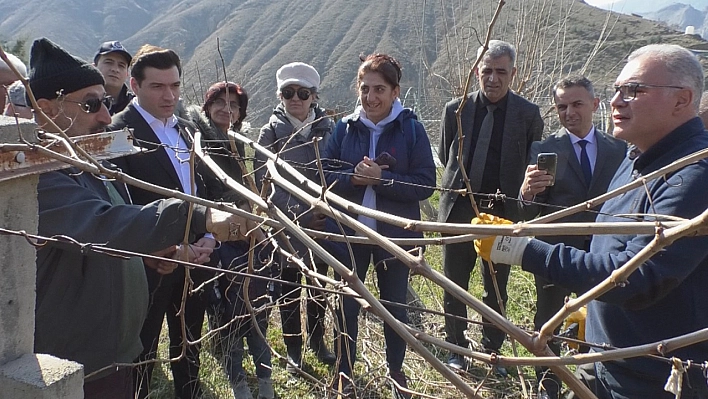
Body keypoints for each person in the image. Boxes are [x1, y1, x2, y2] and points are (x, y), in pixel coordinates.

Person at [475, 44, 708, 399]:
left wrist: (520, 248)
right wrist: (594, 308)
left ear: (681, 100)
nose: (617, 101)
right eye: (616, 90)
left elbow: (635, 278)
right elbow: (613, 242)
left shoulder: (691, 176)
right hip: (607, 357)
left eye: (634, 90)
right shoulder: (637, 159)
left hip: (652, 378)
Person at [28, 37, 255, 399]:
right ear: (46, 109)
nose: (105, 115)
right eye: (91, 104)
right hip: (79, 359)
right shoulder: (41, 177)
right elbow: (105, 223)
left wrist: (155, 252)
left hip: (113, 346)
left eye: (104, 102)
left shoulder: (85, 161)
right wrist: (197, 217)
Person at [108, 45, 220, 399]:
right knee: (143, 347)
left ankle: (190, 391)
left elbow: (204, 190)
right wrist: (165, 248)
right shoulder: (118, 134)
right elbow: (118, 205)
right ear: (134, 84)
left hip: (198, 257)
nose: (169, 95)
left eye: (175, 85)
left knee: (189, 340)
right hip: (151, 263)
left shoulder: (187, 130)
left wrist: (210, 236)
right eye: (158, 86)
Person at [323, 53, 436, 399]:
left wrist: (383, 181)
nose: (371, 97)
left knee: (394, 306)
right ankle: (344, 370)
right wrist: (353, 179)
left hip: (394, 237)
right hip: (349, 233)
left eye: (379, 89)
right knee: (348, 303)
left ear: (395, 91)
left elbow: (426, 183)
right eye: (365, 88)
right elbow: (323, 173)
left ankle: (396, 369)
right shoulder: (344, 127)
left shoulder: (411, 129)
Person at [437, 39, 543, 372]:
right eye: (486, 71)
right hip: (459, 208)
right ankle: (456, 347)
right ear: (476, 72)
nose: (493, 79)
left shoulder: (528, 115)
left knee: (496, 284)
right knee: (455, 282)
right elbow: (445, 154)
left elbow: (532, 162)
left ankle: (492, 349)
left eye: (500, 72)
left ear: (513, 74)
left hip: (503, 213)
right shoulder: (456, 109)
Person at [517, 76, 626, 399]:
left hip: (607, 256)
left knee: (601, 322)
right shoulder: (544, 149)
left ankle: (592, 385)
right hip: (558, 255)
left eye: (577, 104)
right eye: (562, 107)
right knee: (548, 323)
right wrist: (526, 194)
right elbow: (527, 213)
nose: (569, 113)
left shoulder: (618, 149)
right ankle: (546, 386)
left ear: (594, 105)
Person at [188, 81, 276, 399]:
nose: (227, 109)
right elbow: (204, 196)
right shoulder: (199, 144)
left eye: (234, 105)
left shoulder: (236, 143)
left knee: (257, 307)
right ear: (208, 106)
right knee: (227, 312)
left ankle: (265, 379)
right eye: (220, 103)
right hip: (216, 239)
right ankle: (237, 379)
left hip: (247, 237)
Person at [254, 62, 336, 376]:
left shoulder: (329, 129)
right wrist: (298, 216)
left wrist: (323, 211)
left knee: (319, 288)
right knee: (289, 291)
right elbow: (264, 180)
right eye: (289, 93)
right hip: (286, 226)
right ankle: (294, 351)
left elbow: (335, 174)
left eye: (303, 93)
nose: (296, 99)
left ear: (314, 96)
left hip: (322, 226)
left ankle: (318, 342)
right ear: (280, 95)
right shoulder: (270, 132)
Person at [93, 41, 134, 115]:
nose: (115, 69)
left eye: (121, 65)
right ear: (94, 67)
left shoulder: (135, 106)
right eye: (108, 62)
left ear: (127, 73)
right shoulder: (80, 100)